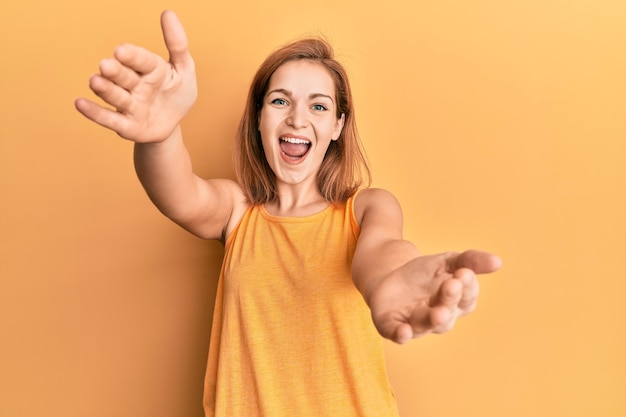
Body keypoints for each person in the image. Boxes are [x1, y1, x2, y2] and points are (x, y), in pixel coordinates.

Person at [75, 10, 501, 417]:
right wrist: (160, 136)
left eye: (318, 106)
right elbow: (178, 194)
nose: (298, 119)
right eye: (280, 101)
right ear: (259, 118)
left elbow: (384, 252)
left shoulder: (368, 207)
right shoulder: (236, 212)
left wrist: (391, 283)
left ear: (337, 125)